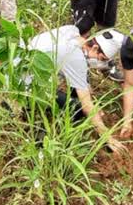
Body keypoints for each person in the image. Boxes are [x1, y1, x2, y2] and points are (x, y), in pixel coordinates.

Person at [26, 25, 127, 153]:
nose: (100, 64)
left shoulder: (72, 31)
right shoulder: (75, 57)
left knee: (79, 92)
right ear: (95, 48)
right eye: (102, 59)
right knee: (78, 109)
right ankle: (34, 116)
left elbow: (83, 83)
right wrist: (107, 137)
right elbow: (86, 106)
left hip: (21, 70)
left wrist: (93, 102)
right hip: (27, 87)